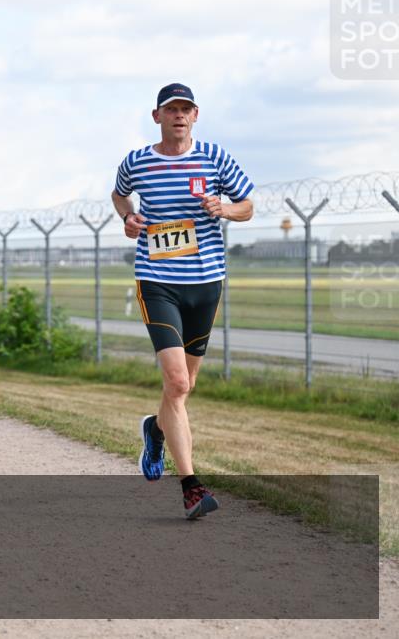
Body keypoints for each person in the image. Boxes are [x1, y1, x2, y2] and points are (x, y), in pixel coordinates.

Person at [111, 83, 254, 520]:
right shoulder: (137, 161)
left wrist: (224, 209)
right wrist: (128, 217)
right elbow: (119, 194)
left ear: (195, 115)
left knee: (185, 386)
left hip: (206, 283)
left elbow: (247, 205)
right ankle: (192, 488)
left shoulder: (215, 157)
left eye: (185, 109)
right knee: (175, 383)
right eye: (171, 109)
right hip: (157, 282)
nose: (178, 115)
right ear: (157, 116)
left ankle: (155, 430)